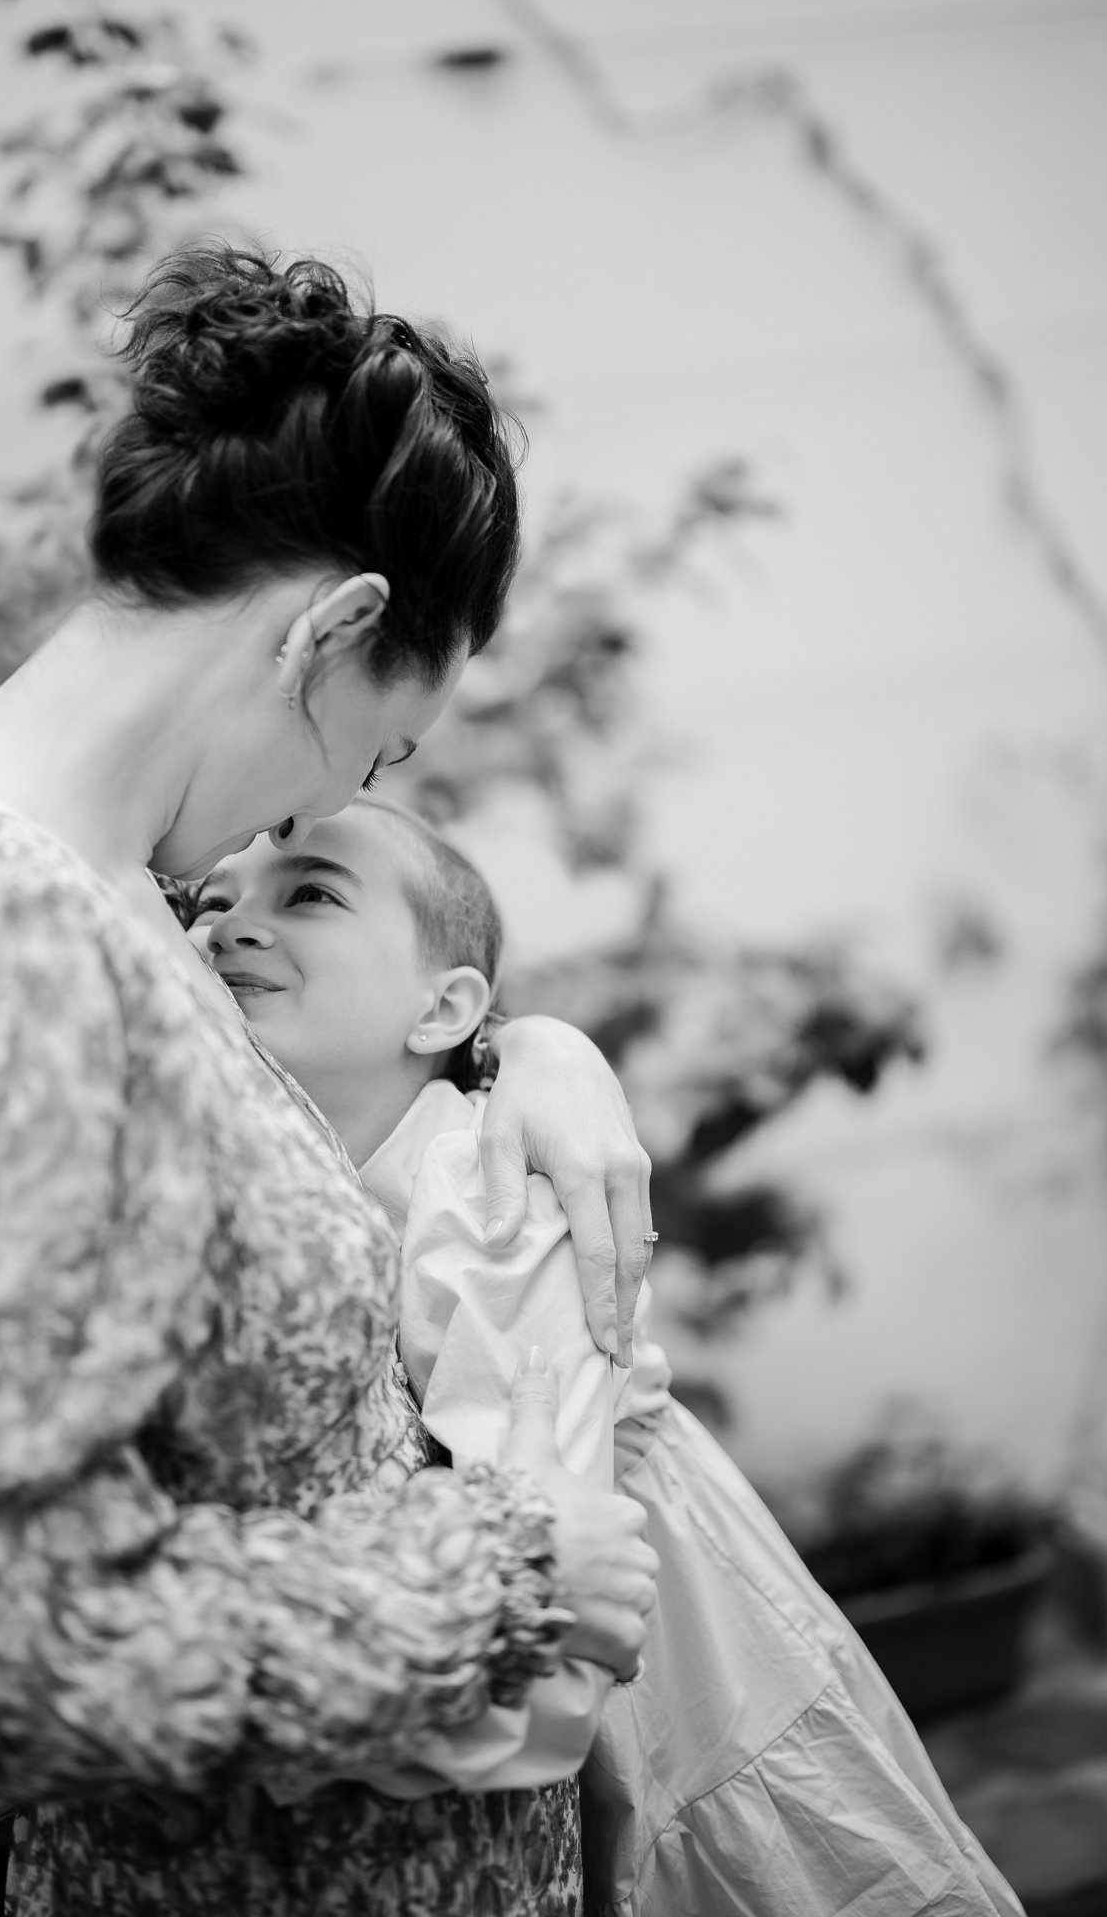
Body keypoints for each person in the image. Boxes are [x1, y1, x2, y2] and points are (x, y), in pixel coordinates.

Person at [0, 244, 661, 1917]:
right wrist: (508, 1575)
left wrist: (528, 1055)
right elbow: (24, 1657)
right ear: (334, 630)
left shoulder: (113, 892)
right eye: (375, 751)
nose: (305, 820)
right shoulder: (7, 947)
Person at [182, 794, 1026, 1917]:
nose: (229, 925)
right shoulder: (271, 1182)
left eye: (310, 893)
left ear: (444, 1007)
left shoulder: (483, 1190)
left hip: (647, 1625)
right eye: (204, 902)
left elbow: (536, 1550)